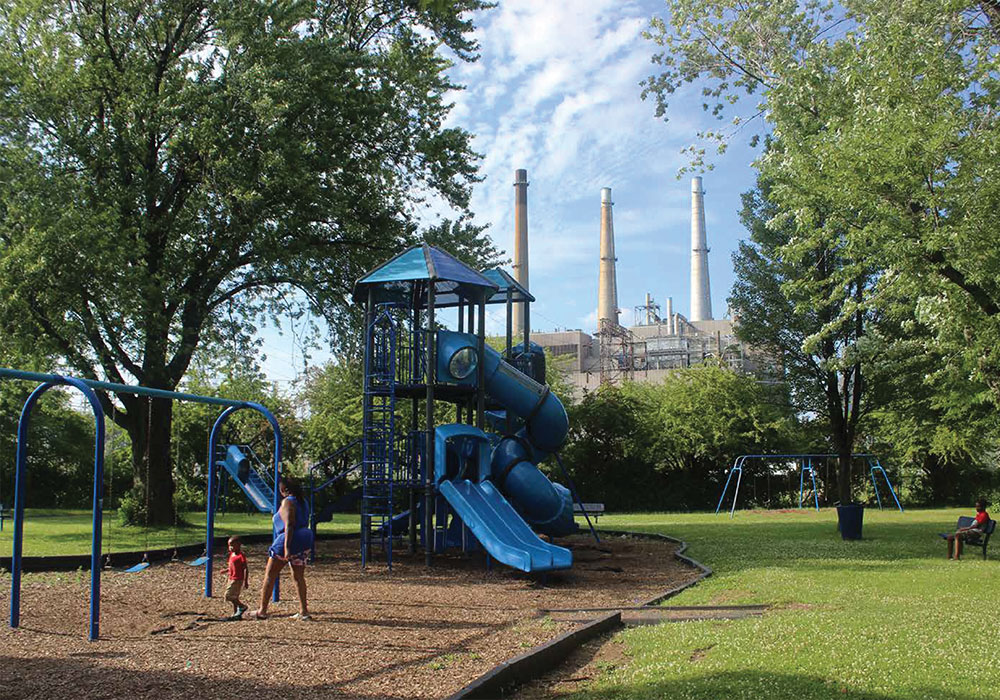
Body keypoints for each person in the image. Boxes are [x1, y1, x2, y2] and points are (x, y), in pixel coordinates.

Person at [251, 475, 314, 620]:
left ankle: (262, 610)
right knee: (298, 577)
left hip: (288, 541)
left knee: (270, 575)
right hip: (304, 541)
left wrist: (286, 548)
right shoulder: (303, 501)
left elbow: (289, 525)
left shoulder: (288, 502)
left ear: (284, 489)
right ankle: (304, 611)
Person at [225, 536, 249, 619]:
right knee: (234, 596)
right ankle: (236, 614)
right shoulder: (232, 554)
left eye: (232, 545)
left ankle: (242, 606)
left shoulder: (241, 556)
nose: (230, 548)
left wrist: (245, 581)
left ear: (238, 545)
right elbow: (233, 566)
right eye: (229, 546)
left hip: (237, 579)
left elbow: (245, 569)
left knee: (228, 595)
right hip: (231, 577)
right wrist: (226, 570)